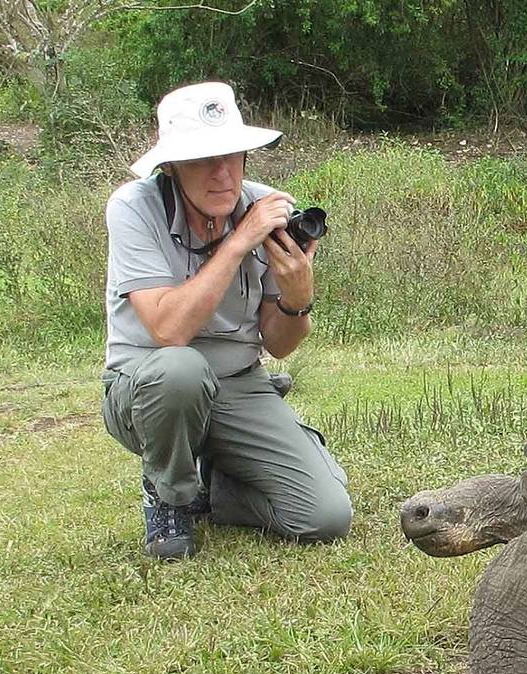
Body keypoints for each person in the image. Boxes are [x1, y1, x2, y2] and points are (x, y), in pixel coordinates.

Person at [101, 81, 351, 560]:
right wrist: (238, 243)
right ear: (170, 166)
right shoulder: (134, 207)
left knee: (325, 516)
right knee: (182, 370)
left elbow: (279, 345)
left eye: (232, 156)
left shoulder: (267, 207)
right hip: (149, 386)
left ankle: (213, 483)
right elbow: (168, 331)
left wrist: (298, 297)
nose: (222, 174)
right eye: (202, 159)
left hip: (236, 381)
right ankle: (168, 494)